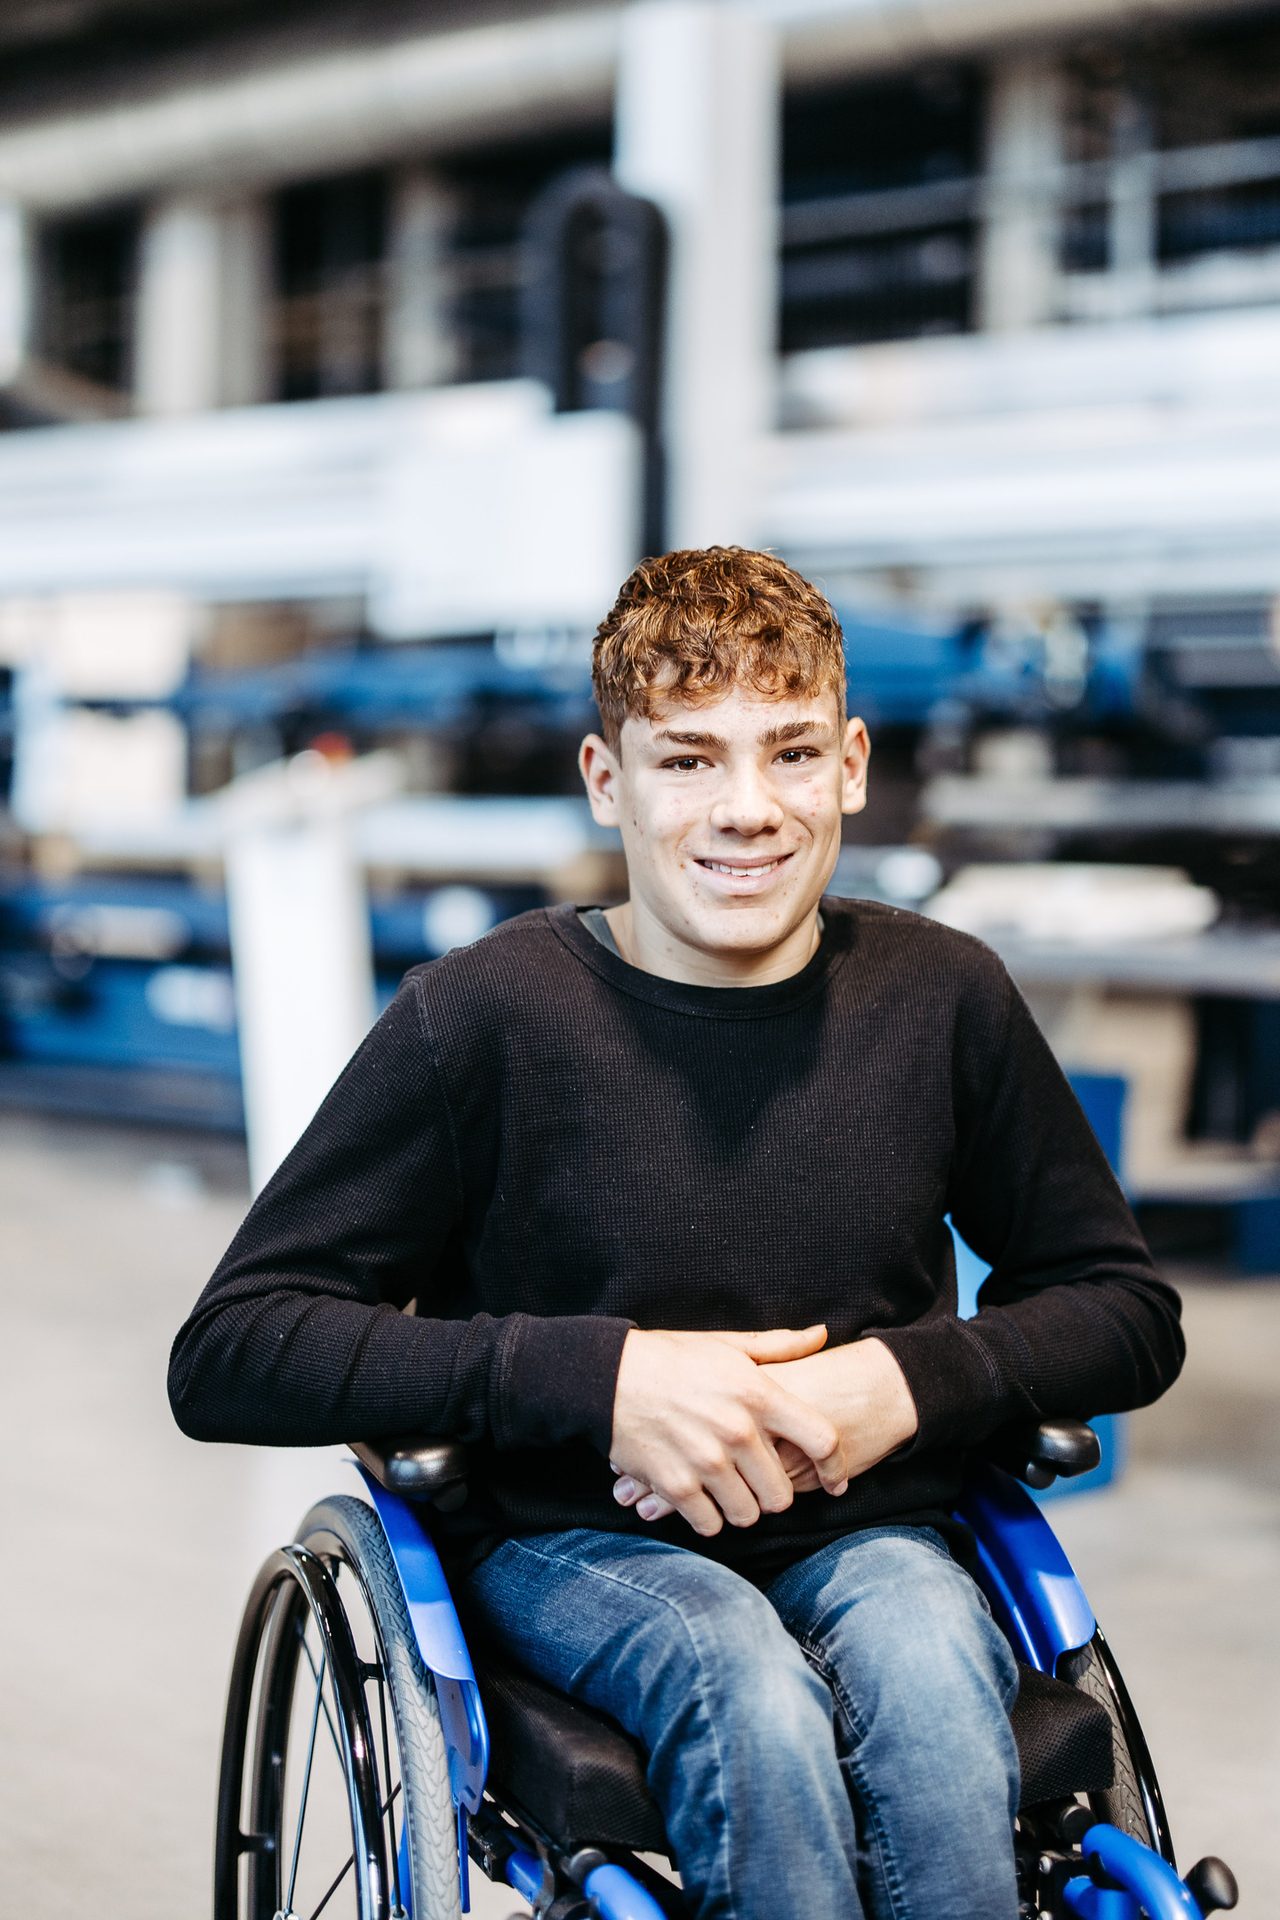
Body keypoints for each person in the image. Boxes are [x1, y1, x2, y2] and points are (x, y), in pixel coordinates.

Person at [169, 546, 1184, 1920]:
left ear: (854, 766)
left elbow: (1123, 1309)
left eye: (791, 752)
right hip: (565, 1542)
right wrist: (608, 1385)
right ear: (610, 782)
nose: (748, 809)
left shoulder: (944, 1001)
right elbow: (233, 1350)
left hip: (872, 1531)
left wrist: (896, 1384)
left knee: (942, 1688)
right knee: (743, 1688)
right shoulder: (485, 1021)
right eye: (690, 760)